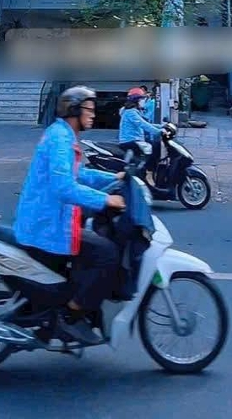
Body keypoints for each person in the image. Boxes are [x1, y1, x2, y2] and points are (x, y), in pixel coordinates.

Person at [14, 85, 125, 346]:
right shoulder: (60, 140)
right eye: (89, 109)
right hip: (47, 226)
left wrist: (113, 178)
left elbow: (80, 174)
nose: (93, 115)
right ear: (74, 110)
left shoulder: (63, 134)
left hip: (53, 219)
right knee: (106, 253)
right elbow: (64, 187)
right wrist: (105, 199)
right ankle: (71, 315)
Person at [119, 87, 164, 185]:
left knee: (151, 146)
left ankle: (144, 172)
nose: (144, 101)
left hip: (134, 140)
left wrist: (162, 126)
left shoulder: (133, 111)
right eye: (142, 99)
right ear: (136, 100)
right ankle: (148, 173)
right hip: (131, 141)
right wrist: (159, 132)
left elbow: (146, 123)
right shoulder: (131, 112)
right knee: (154, 147)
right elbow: (143, 124)